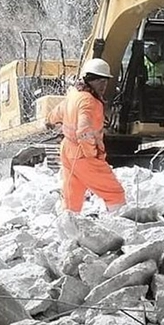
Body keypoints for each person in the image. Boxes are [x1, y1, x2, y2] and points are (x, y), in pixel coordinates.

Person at [59, 58, 126, 223]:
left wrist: (48, 120)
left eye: (105, 80)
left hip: (68, 151)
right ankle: (120, 226)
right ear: (88, 79)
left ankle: (67, 227)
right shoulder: (89, 101)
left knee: (72, 196)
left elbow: (58, 111)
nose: (103, 84)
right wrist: (91, 153)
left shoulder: (74, 95)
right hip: (84, 155)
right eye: (98, 80)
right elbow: (84, 130)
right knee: (114, 192)